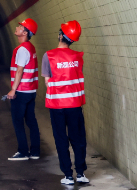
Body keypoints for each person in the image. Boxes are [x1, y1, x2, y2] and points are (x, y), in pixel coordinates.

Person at [42, 20, 89, 185]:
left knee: (61, 139)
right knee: (78, 139)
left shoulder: (48, 56)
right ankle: (81, 173)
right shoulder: (78, 57)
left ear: (60, 36)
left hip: (57, 106)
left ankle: (68, 176)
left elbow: (47, 82)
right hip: (75, 106)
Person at [6, 18, 41, 161]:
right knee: (31, 121)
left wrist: (13, 90)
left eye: (20, 26)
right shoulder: (30, 47)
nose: (17, 27)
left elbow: (19, 71)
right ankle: (35, 152)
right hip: (31, 91)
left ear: (25, 32)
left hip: (21, 91)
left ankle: (23, 152)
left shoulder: (22, 50)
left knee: (18, 121)